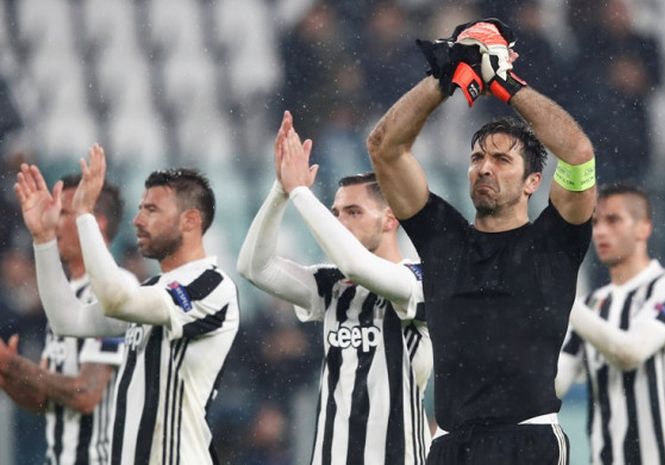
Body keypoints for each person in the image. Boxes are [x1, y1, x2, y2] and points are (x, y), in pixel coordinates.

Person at [366, 18, 596, 464]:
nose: (484, 168)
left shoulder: (555, 240)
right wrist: (446, 77)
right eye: (477, 158)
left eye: (501, 159)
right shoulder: (443, 237)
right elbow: (384, 148)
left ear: (533, 182)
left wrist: (504, 82)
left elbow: (578, 153)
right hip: (450, 445)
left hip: (528, 442)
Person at [237, 111, 432, 465]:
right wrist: (280, 191)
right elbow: (255, 267)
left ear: (390, 219)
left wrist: (300, 192)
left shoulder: (418, 281)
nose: (340, 222)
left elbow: (357, 264)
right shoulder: (332, 285)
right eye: (336, 212)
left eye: (353, 212)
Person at [29, 144, 240, 465]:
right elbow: (67, 320)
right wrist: (43, 240)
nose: (137, 220)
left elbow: (116, 299)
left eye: (152, 210)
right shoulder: (151, 291)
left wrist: (84, 215)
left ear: (190, 220)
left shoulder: (211, 285)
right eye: (140, 208)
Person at [556, 184, 665, 465]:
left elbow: (630, 352)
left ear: (644, 228)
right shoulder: (590, 306)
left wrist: (561, 297)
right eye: (595, 222)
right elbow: (555, 385)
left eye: (613, 220)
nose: (600, 232)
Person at [2, 168, 130, 465]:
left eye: (64, 214)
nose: (54, 223)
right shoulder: (64, 296)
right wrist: (8, 376)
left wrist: (14, 365)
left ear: (94, 225)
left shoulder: (114, 291)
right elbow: (45, 400)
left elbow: (86, 394)